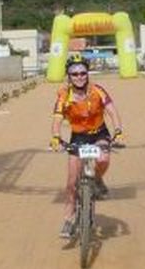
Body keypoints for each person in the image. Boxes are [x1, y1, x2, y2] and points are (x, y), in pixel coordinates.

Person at [50, 53, 124, 239]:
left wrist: (118, 131)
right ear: (69, 76)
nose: (79, 77)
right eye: (74, 74)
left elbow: (112, 112)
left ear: (87, 73)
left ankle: (97, 179)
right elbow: (57, 119)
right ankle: (68, 219)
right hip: (78, 137)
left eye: (83, 73)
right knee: (71, 183)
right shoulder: (63, 96)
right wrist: (56, 137)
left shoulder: (98, 90)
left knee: (103, 157)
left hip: (99, 133)